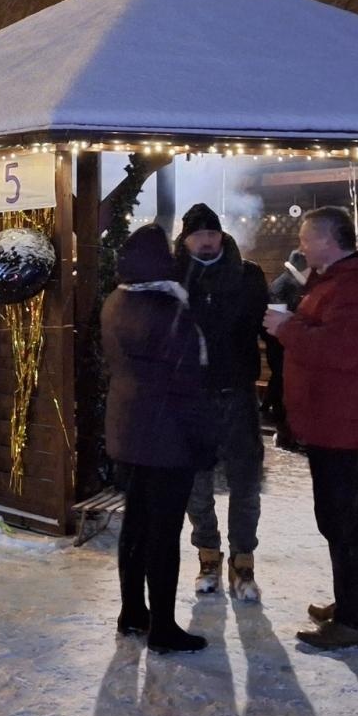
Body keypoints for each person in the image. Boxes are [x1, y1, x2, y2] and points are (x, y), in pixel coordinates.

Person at [266, 206, 358, 651]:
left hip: (341, 417)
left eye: (307, 237)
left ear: (329, 240)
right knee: (351, 518)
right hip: (335, 415)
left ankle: (355, 620)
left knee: (342, 520)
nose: (302, 245)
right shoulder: (339, 281)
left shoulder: (356, 285)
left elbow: (341, 349)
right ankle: (355, 604)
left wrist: (288, 328)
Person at [104, 224, 215, 654]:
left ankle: (133, 612)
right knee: (163, 534)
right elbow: (187, 386)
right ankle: (164, 627)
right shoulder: (170, 311)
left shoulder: (117, 300)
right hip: (168, 437)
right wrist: (203, 441)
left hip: (130, 429)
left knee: (135, 524)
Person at [174, 204, 269, 602]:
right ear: (186, 239)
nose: (207, 240)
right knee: (196, 483)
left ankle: (243, 559)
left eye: (212, 233)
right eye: (199, 235)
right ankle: (208, 555)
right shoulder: (174, 277)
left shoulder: (248, 276)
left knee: (245, 481)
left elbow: (261, 326)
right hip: (191, 395)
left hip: (238, 392)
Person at [263, 250, 308, 450]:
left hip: (281, 346)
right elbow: (277, 322)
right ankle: (284, 432)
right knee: (282, 385)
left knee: (281, 383)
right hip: (281, 346)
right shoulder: (286, 285)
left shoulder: (286, 282)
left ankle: (283, 430)